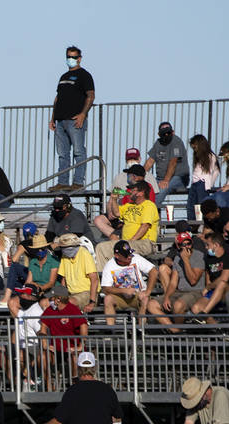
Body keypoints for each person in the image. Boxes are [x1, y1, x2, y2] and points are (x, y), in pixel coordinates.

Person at [24, 351, 121, 424]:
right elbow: (118, 418)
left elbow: (58, 421)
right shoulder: (107, 389)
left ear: (78, 369)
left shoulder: (72, 391)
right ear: (94, 368)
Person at [49, 45, 95, 191]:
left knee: (78, 152)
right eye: (69, 57)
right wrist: (52, 118)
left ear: (79, 58)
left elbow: (91, 95)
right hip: (60, 121)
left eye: (74, 57)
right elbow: (57, 98)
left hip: (75, 120)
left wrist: (83, 114)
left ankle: (78, 182)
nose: (71, 59)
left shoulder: (84, 75)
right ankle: (63, 181)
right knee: (62, 154)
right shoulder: (63, 77)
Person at [94, 181, 158, 268]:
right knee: (101, 247)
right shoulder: (129, 205)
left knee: (119, 249)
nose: (130, 192)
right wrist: (113, 199)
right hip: (127, 242)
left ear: (141, 193)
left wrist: (131, 241)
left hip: (144, 242)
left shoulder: (149, 205)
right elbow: (116, 213)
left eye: (133, 190)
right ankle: (105, 277)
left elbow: (145, 226)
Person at [100, 240, 157, 326]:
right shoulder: (110, 265)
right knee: (107, 299)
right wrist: (123, 291)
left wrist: (147, 292)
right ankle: (111, 330)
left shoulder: (136, 258)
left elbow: (153, 271)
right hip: (121, 297)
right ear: (117, 256)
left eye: (130, 253)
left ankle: (141, 329)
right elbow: (105, 288)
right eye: (126, 255)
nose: (129, 257)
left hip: (138, 294)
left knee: (145, 299)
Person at [144, 122, 190, 209]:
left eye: (168, 133)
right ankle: (154, 216)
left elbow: (173, 162)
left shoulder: (176, 142)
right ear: (159, 134)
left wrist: (166, 180)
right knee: (146, 190)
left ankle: (149, 212)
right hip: (160, 179)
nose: (166, 135)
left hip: (178, 177)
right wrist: (141, 176)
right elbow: (150, 161)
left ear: (173, 132)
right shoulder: (158, 143)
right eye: (163, 133)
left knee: (161, 190)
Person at [54, 233, 98, 312]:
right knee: (48, 302)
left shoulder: (84, 253)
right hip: (71, 294)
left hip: (87, 293)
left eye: (63, 248)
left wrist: (92, 302)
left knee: (68, 302)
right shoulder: (65, 256)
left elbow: (94, 279)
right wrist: (61, 296)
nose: (62, 250)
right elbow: (63, 279)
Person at [186, 134, 218, 221]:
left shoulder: (210, 156)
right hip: (195, 183)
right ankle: (192, 225)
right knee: (191, 206)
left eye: (195, 147)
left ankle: (202, 224)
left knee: (202, 205)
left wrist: (208, 184)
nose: (194, 150)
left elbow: (215, 171)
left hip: (202, 183)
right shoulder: (199, 158)